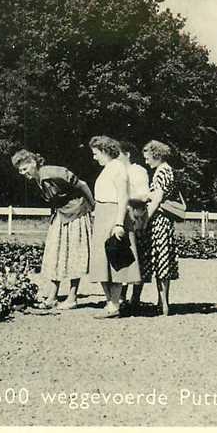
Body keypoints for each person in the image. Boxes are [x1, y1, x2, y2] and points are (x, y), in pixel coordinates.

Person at [11, 149, 94, 310]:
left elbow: (82, 184)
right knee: (55, 254)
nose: (22, 173)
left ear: (33, 163)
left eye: (25, 168)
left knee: (73, 255)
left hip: (76, 213)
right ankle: (52, 296)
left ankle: (72, 297)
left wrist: (93, 206)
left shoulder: (53, 172)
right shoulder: (38, 178)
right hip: (61, 214)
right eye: (20, 170)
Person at [87, 136, 141, 318]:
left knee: (115, 259)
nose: (94, 158)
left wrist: (118, 223)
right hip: (102, 214)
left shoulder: (118, 168)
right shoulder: (108, 169)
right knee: (102, 261)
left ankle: (114, 304)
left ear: (105, 151)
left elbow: (123, 197)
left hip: (113, 215)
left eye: (96, 153)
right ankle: (110, 302)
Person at [140, 140, 180, 316]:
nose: (146, 162)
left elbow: (157, 199)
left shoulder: (161, 172)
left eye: (148, 158)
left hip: (159, 221)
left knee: (161, 260)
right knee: (162, 260)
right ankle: (162, 302)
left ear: (156, 155)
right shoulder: (167, 171)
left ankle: (163, 304)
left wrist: (145, 219)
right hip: (164, 221)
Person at [117, 141, 150, 311]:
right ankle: (121, 296)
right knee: (123, 255)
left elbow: (144, 196)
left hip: (135, 217)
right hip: (122, 216)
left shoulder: (138, 171)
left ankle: (135, 297)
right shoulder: (119, 171)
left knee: (137, 256)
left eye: (119, 154)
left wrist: (126, 198)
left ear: (128, 154)